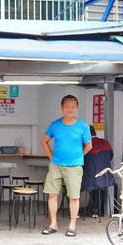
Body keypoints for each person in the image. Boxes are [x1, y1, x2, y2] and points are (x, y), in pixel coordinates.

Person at [40, 95, 92, 237]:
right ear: (62, 108)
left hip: (74, 167)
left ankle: (72, 226)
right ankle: (53, 224)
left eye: (73, 106)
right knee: (52, 194)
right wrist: (51, 157)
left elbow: (89, 145)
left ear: (77, 108)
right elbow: (44, 141)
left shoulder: (83, 125)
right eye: (67, 106)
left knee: (74, 197)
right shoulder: (55, 125)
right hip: (56, 165)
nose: (70, 109)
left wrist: (79, 156)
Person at [81, 125, 114, 218]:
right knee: (100, 186)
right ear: (95, 132)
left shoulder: (85, 146)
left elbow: (81, 161)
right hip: (105, 178)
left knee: (91, 184)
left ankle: (93, 209)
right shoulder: (105, 143)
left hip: (89, 179)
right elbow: (110, 157)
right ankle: (99, 210)